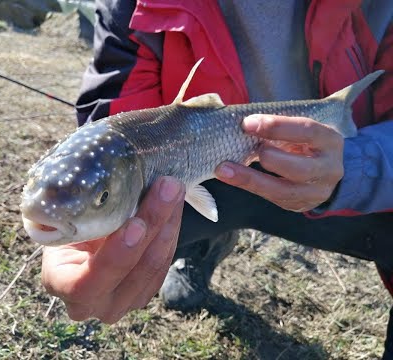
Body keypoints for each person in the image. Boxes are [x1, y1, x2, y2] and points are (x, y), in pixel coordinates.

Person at [41, 0, 393, 357]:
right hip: (201, 178)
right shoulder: (127, 6)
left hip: (346, 181)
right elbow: (114, 126)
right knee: (159, 199)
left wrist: (353, 164)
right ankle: (207, 244)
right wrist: (92, 221)